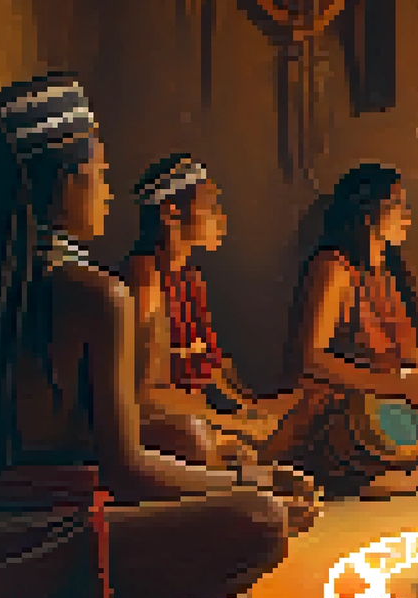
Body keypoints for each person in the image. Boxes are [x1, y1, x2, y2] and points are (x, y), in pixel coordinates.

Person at [0, 65, 317, 598]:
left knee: (184, 435)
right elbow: (126, 469)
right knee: (260, 522)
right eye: (102, 174)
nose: (109, 193)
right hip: (50, 554)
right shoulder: (98, 295)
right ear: (68, 179)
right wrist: (253, 481)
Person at [268, 162, 418, 500]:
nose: (407, 216)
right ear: (369, 213)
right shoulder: (333, 268)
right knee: (382, 430)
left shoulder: (387, 272)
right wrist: (402, 386)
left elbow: (392, 348)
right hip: (347, 399)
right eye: (398, 206)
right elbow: (311, 358)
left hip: (391, 390)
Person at [120, 153, 301, 476]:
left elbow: (209, 370)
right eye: (212, 206)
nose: (222, 218)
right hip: (170, 422)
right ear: (171, 212)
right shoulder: (146, 278)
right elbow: (144, 395)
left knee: (309, 403)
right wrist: (232, 422)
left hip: (205, 413)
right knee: (209, 444)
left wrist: (248, 410)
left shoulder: (190, 277)